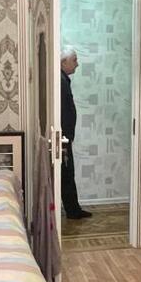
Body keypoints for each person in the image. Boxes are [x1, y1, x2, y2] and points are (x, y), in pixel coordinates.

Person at [60, 47, 91, 220]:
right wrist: (64, 138)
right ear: (64, 62)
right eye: (75, 60)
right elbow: (63, 112)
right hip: (62, 138)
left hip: (64, 137)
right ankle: (73, 211)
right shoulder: (60, 81)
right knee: (66, 174)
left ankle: (73, 209)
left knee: (67, 174)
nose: (77, 64)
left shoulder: (63, 80)